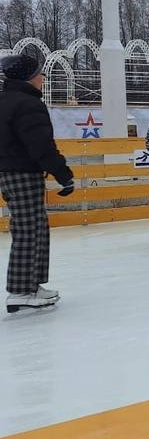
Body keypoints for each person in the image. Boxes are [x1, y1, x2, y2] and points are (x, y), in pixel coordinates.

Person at [0, 54, 74, 313]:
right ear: (30, 77)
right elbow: (40, 145)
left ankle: (30, 284)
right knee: (28, 230)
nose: (43, 78)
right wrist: (63, 174)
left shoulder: (7, 100)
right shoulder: (27, 104)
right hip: (22, 172)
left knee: (35, 227)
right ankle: (20, 290)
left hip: (10, 171)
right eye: (40, 74)